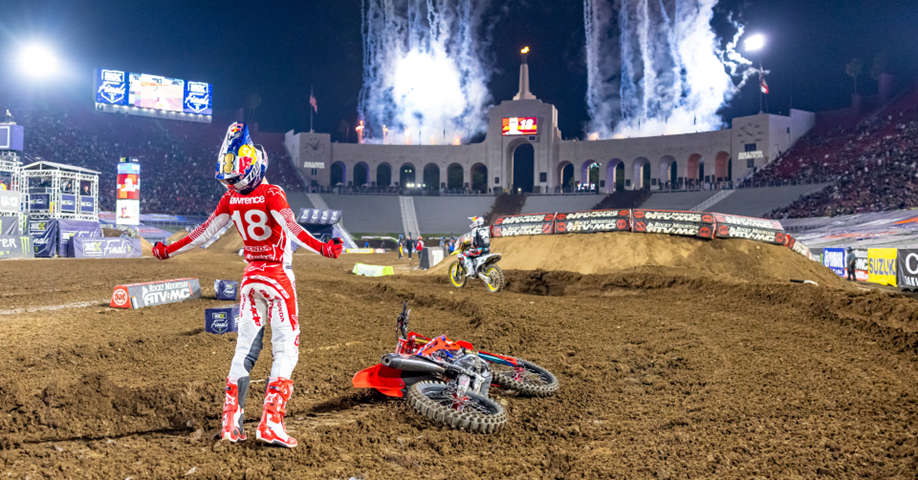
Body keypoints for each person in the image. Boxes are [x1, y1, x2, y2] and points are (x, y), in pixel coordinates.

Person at [151, 123, 342, 448]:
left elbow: (203, 235)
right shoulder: (272, 193)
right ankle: (271, 422)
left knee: (244, 351)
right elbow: (292, 228)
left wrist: (168, 249)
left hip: (250, 280)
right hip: (278, 279)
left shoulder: (229, 199)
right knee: (286, 349)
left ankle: (231, 423)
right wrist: (324, 247)